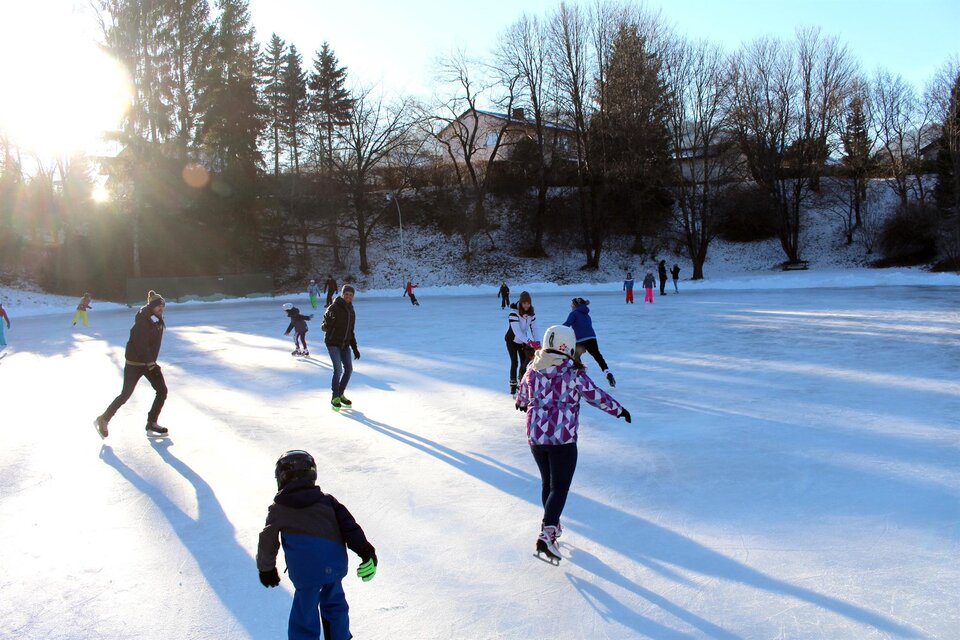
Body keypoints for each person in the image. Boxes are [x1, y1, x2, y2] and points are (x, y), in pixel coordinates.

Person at [515, 325, 630, 563]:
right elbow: (595, 396)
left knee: (548, 483)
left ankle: (552, 526)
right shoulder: (572, 373)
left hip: (536, 436)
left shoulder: (532, 369)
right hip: (562, 437)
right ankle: (546, 534)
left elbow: (522, 398)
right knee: (559, 487)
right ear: (566, 346)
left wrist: (523, 402)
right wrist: (618, 410)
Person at [257, 449, 377, 640]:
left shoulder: (279, 509)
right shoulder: (328, 502)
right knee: (335, 605)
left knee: (305, 611)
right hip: (334, 566)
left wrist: (266, 568)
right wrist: (366, 551)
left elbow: (267, 540)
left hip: (305, 573)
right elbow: (350, 527)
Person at [94, 290, 168, 438]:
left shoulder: (156, 319)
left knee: (162, 391)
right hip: (135, 364)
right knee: (125, 395)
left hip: (148, 363)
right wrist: (150, 363)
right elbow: (141, 345)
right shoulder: (143, 321)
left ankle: (151, 422)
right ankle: (103, 419)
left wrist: (150, 362)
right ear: (151, 307)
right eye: (158, 306)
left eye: (162, 306)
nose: (161, 308)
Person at [322, 285, 360, 412]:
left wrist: (355, 348)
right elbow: (324, 327)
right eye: (346, 294)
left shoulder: (351, 310)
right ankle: (335, 397)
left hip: (345, 344)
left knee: (349, 369)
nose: (348, 297)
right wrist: (327, 323)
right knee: (338, 369)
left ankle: (341, 393)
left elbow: (351, 331)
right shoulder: (333, 307)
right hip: (333, 343)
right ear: (342, 294)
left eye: (351, 295)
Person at [562, 297, 616, 387]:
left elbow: (567, 324)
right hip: (592, 338)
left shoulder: (574, 313)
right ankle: (607, 372)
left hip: (580, 340)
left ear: (576, 305)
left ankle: (580, 376)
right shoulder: (586, 315)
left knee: (575, 357)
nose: (571, 306)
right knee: (597, 356)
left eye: (572, 304)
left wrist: (556, 329)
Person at [505, 291, 539, 396]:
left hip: (522, 341)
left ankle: (522, 383)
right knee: (514, 362)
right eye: (524, 303)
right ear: (520, 302)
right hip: (512, 340)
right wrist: (529, 342)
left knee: (524, 362)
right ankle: (513, 384)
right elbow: (517, 332)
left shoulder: (531, 314)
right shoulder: (513, 314)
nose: (526, 305)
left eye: (528, 303)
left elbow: (535, 328)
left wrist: (537, 342)